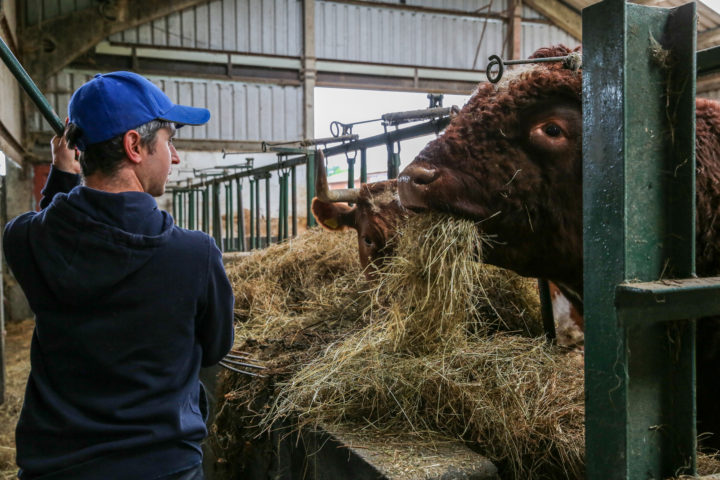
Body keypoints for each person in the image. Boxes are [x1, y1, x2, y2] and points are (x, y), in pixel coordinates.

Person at [3, 71, 234, 480]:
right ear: (133, 146)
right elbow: (215, 347)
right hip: (164, 469)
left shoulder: (23, 240)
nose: (175, 156)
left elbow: (55, 228)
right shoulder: (195, 255)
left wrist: (61, 176)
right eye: (168, 140)